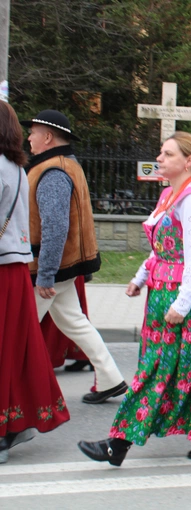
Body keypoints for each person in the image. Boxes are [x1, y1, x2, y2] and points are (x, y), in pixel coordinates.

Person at [77, 132, 191, 466]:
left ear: (188, 161)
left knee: (160, 366)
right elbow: (162, 247)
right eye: (160, 153)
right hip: (165, 289)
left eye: (167, 154)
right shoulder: (170, 195)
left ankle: (118, 444)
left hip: (189, 295)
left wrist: (183, 303)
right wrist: (140, 277)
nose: (159, 158)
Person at [22, 109, 126, 404]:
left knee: (19, 334)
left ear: (48, 137)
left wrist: (45, 273)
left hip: (51, 267)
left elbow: (55, 227)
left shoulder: (52, 170)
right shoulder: (66, 165)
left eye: (33, 132)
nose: (29, 137)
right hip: (62, 266)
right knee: (73, 321)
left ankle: (22, 400)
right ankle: (111, 379)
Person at [0, 101, 70, 464]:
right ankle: (13, 423)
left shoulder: (12, 168)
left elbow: (55, 224)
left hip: (3, 269)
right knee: (12, 350)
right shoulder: (16, 166)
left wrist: (46, 273)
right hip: (12, 267)